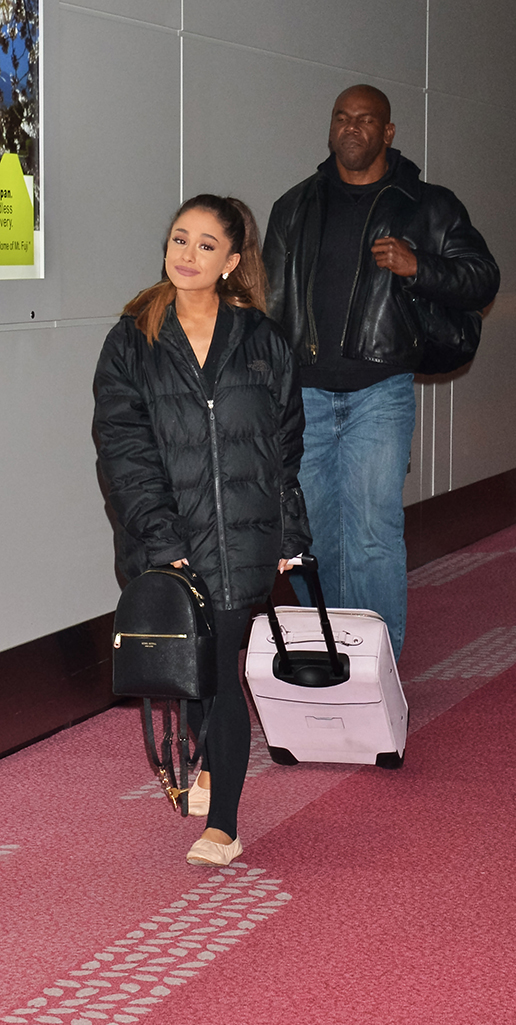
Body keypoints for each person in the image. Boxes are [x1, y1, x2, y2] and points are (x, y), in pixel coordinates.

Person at [94, 195, 311, 867]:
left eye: (206, 245)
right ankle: (209, 759)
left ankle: (224, 822)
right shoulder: (133, 338)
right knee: (192, 676)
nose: (187, 255)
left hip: (243, 537)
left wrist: (288, 534)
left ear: (233, 262)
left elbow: (285, 446)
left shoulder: (263, 340)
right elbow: (123, 452)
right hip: (170, 537)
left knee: (221, 675)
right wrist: (163, 542)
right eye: (179, 239)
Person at [263, 84, 500, 659]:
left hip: (380, 390)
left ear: (388, 133)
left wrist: (420, 267)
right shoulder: (294, 206)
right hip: (306, 395)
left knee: (371, 533)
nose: (351, 128)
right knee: (309, 537)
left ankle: (376, 664)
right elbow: (268, 301)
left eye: (365, 120)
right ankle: (326, 650)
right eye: (341, 117)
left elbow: (482, 278)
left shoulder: (427, 204)